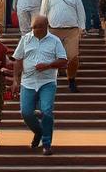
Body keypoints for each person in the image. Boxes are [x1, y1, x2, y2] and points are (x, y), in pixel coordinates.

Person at [10, 14, 68, 156]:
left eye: (38, 27)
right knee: (26, 112)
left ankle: (47, 144)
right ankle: (39, 132)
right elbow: (18, 60)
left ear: (46, 27)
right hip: (28, 82)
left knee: (47, 111)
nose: (35, 29)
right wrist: (15, 80)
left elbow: (63, 61)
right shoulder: (26, 39)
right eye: (33, 27)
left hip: (47, 82)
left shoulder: (54, 41)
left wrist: (48, 65)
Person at [41, 0, 86, 92]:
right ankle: (51, 81)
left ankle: (71, 79)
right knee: (52, 57)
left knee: (73, 57)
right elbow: (43, 13)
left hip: (72, 30)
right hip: (53, 30)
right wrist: (42, 30)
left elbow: (80, 10)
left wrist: (82, 27)